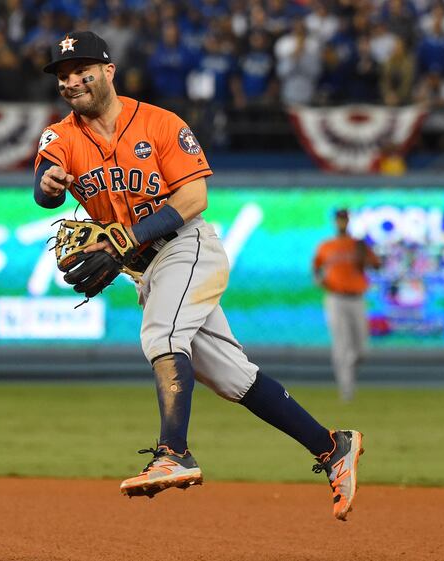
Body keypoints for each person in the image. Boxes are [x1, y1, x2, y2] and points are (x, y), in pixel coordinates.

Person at [33, 30, 365, 521]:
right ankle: (332, 445)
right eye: (62, 75)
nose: (71, 80)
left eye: (81, 70)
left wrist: (127, 237)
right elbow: (45, 191)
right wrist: (47, 184)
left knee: (162, 335)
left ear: (108, 72)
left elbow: (193, 200)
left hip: (187, 248)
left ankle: (174, 454)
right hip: (147, 270)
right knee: (235, 379)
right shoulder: (61, 136)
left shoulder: (161, 124)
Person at [312, 209, 382, 402]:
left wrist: (366, 252)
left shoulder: (358, 245)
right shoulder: (327, 246)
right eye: (339, 219)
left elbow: (376, 265)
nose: (342, 222)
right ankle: (346, 391)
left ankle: (348, 373)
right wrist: (321, 282)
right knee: (341, 345)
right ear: (335, 222)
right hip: (335, 297)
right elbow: (316, 269)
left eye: (345, 219)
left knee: (362, 350)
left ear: (348, 221)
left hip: (357, 298)